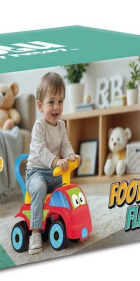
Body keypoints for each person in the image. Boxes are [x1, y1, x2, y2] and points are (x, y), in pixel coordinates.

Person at [26, 72, 81, 254]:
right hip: (36, 173)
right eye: (51, 102)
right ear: (40, 106)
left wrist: (71, 156)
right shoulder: (39, 126)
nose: (56, 107)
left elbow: (65, 145)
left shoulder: (62, 126)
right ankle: (35, 232)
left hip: (54, 173)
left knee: (68, 188)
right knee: (39, 188)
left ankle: (66, 221)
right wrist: (57, 161)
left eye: (60, 101)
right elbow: (41, 150)